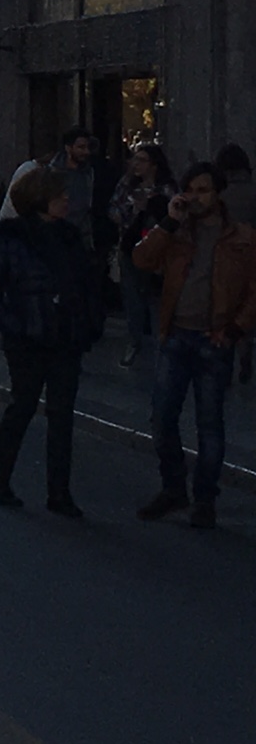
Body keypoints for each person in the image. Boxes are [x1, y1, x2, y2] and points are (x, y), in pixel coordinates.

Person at [133, 162, 256, 530]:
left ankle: (205, 498)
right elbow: (142, 259)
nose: (197, 197)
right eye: (191, 190)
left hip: (213, 338)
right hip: (175, 335)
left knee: (209, 423)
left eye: (204, 190)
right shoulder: (176, 232)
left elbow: (253, 290)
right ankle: (174, 487)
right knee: (162, 416)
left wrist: (235, 329)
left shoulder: (243, 237)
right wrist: (168, 222)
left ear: (218, 193)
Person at [0, 167, 103, 516]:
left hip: (66, 336)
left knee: (62, 415)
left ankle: (59, 492)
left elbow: (86, 282)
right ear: (40, 198)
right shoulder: (10, 238)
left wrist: (90, 320)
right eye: (59, 193)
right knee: (23, 406)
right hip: (28, 337)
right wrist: (14, 326)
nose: (66, 199)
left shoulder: (69, 237)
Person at [109, 143, 176, 368]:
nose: (135, 165)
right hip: (130, 248)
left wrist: (153, 207)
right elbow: (114, 211)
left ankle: (161, 344)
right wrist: (133, 210)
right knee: (132, 298)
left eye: (142, 160)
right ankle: (135, 341)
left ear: (154, 165)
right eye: (134, 159)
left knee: (155, 298)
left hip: (158, 252)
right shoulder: (127, 186)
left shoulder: (166, 189)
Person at [214, 142, 255, 383]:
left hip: (227, 259)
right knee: (248, 307)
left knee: (226, 308)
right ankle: (246, 345)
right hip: (252, 255)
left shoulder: (220, 196)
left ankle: (226, 353)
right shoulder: (253, 192)